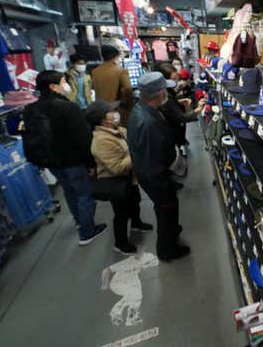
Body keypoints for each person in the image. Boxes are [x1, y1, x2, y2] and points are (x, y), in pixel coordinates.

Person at [30, 70, 106, 245]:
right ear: (53, 86)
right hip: (72, 160)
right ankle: (87, 232)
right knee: (84, 194)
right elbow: (83, 137)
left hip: (51, 161)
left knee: (69, 192)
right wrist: (91, 161)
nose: (67, 86)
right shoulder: (68, 108)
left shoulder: (32, 109)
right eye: (64, 82)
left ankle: (80, 222)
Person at [127, 72, 189, 262]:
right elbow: (153, 158)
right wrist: (167, 180)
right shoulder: (149, 122)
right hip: (156, 177)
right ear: (159, 93)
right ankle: (167, 251)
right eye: (165, 90)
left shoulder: (144, 110)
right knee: (167, 209)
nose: (168, 93)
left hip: (150, 173)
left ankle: (171, 234)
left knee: (165, 208)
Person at [86, 100, 153, 255]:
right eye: (112, 111)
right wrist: (135, 151)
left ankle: (136, 223)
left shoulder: (116, 129)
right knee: (121, 214)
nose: (116, 112)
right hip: (117, 182)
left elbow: (131, 136)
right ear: (103, 118)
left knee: (135, 201)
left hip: (130, 178)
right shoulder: (101, 140)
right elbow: (116, 168)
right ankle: (121, 243)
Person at [155, 63, 206, 155]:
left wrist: (179, 101)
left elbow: (170, 105)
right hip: (173, 131)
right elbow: (181, 118)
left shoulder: (166, 90)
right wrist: (198, 109)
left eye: (176, 78)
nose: (176, 81)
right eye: (173, 79)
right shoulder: (166, 96)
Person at [91, 45, 134, 126]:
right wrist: (128, 105)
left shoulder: (95, 71)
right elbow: (128, 89)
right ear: (116, 56)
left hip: (100, 112)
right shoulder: (121, 71)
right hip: (116, 110)